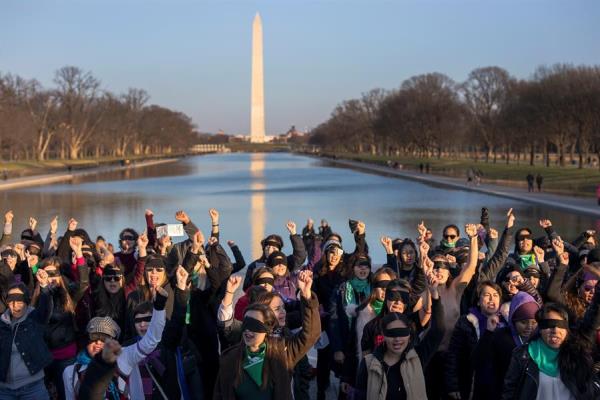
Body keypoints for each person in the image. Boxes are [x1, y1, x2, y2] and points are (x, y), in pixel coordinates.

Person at [213, 270, 320, 399]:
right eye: (276, 309)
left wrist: (306, 294)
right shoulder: (233, 354)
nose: (283, 312)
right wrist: (229, 294)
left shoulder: (284, 349)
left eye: (283, 308)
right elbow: (227, 324)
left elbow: (310, 334)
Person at [354, 269, 445, 400]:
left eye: (402, 298)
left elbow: (437, 327)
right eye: (393, 297)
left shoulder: (416, 345)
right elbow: (365, 364)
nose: (397, 302)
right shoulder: (371, 327)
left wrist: (433, 292)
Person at [502, 302, 600, 399]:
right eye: (549, 324)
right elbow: (509, 392)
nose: (555, 330)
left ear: (567, 330)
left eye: (561, 325)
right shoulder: (523, 355)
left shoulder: (577, 355)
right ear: (540, 329)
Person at [0, 275, 52, 399]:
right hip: (4, 390)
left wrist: (44, 287)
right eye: (11, 302)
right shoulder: (1, 323)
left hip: (33, 388)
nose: (15, 306)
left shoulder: (34, 318)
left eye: (19, 301)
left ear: (26, 301)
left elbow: (45, 308)